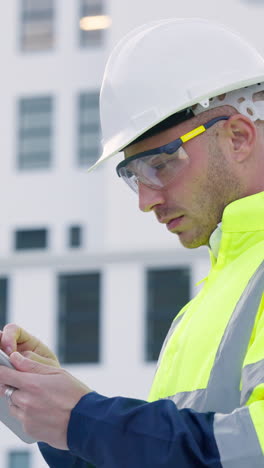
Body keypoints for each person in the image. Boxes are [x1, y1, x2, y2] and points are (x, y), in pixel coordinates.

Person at [0, 17, 263, 468]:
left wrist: (83, 419)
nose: (144, 200)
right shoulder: (206, 304)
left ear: (238, 137)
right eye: (132, 176)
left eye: (159, 164)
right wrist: (45, 410)